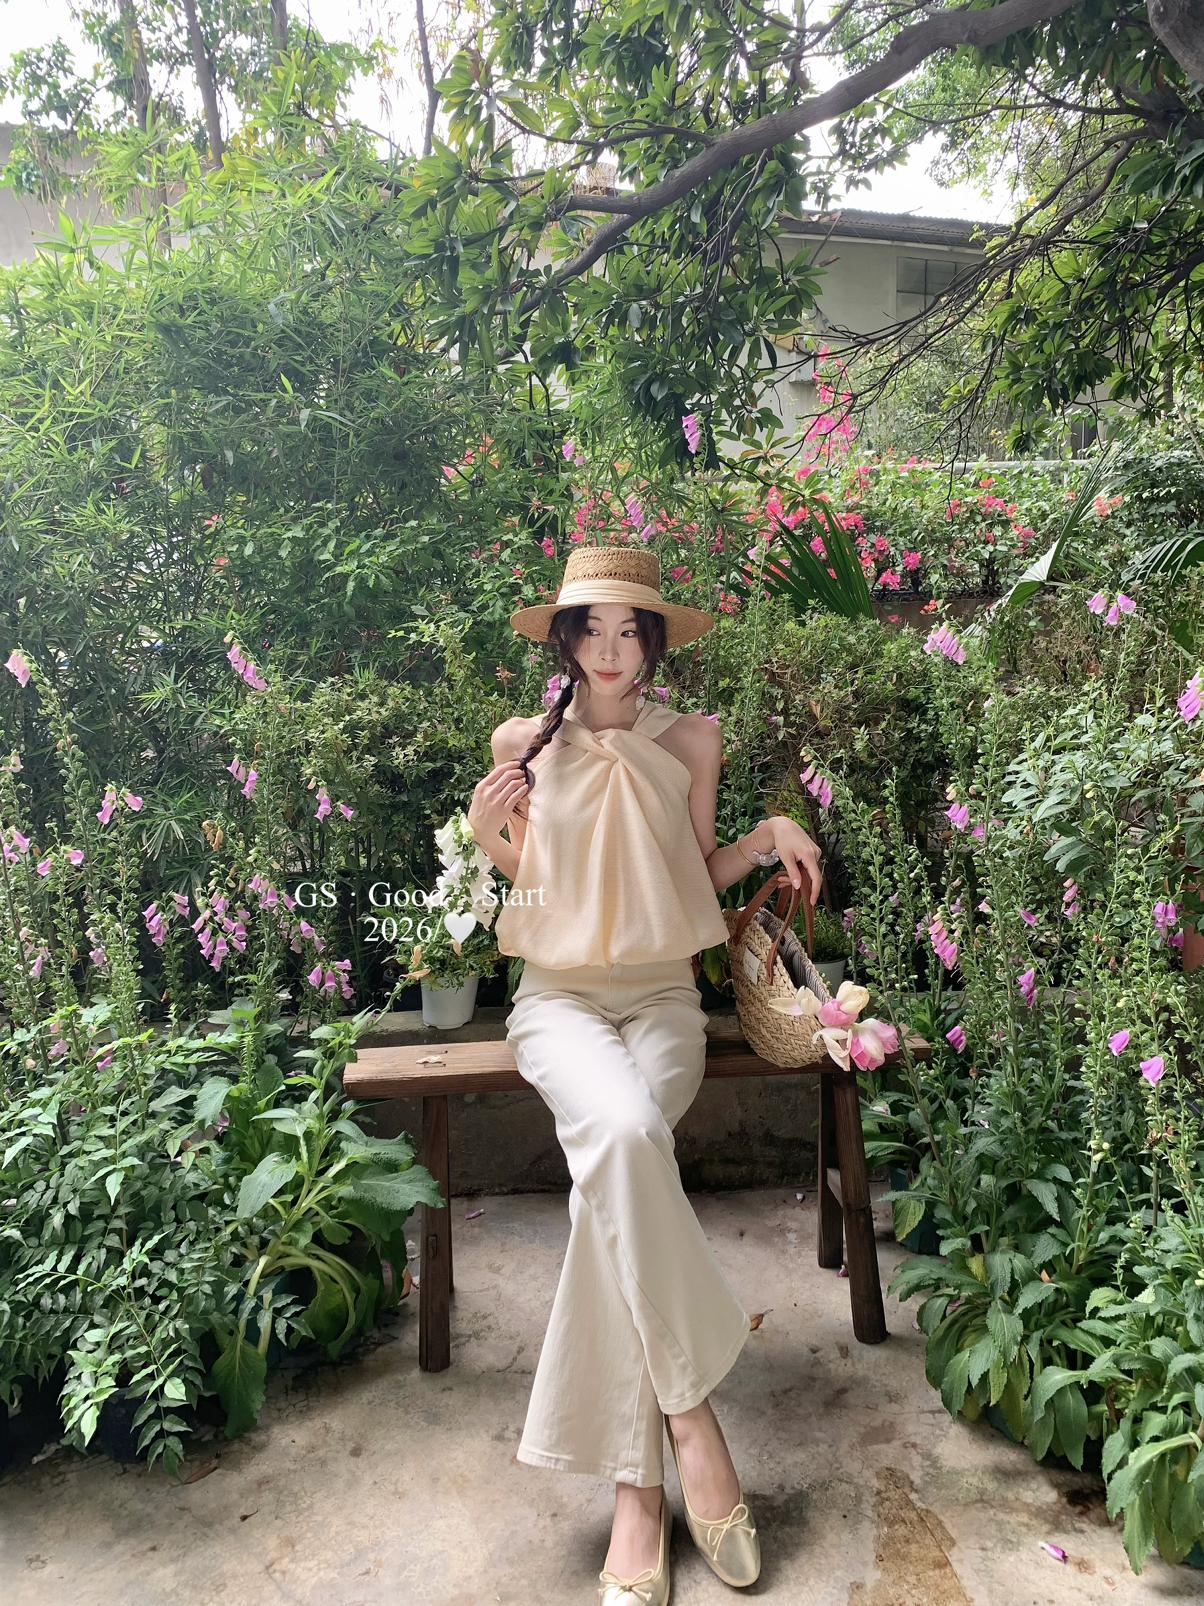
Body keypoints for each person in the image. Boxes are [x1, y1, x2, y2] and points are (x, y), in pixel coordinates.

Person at [467, 544, 823, 1605]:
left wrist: (765, 835)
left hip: (665, 1001)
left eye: (631, 630)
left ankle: (636, 1493)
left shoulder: (692, 738)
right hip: (561, 1002)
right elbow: (543, 887)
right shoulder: (521, 745)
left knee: (608, 1189)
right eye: (593, 629)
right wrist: (492, 839)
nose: (612, 650)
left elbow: (691, 872)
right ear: (566, 639)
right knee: (624, 1139)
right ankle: (689, 1424)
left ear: (653, 640)